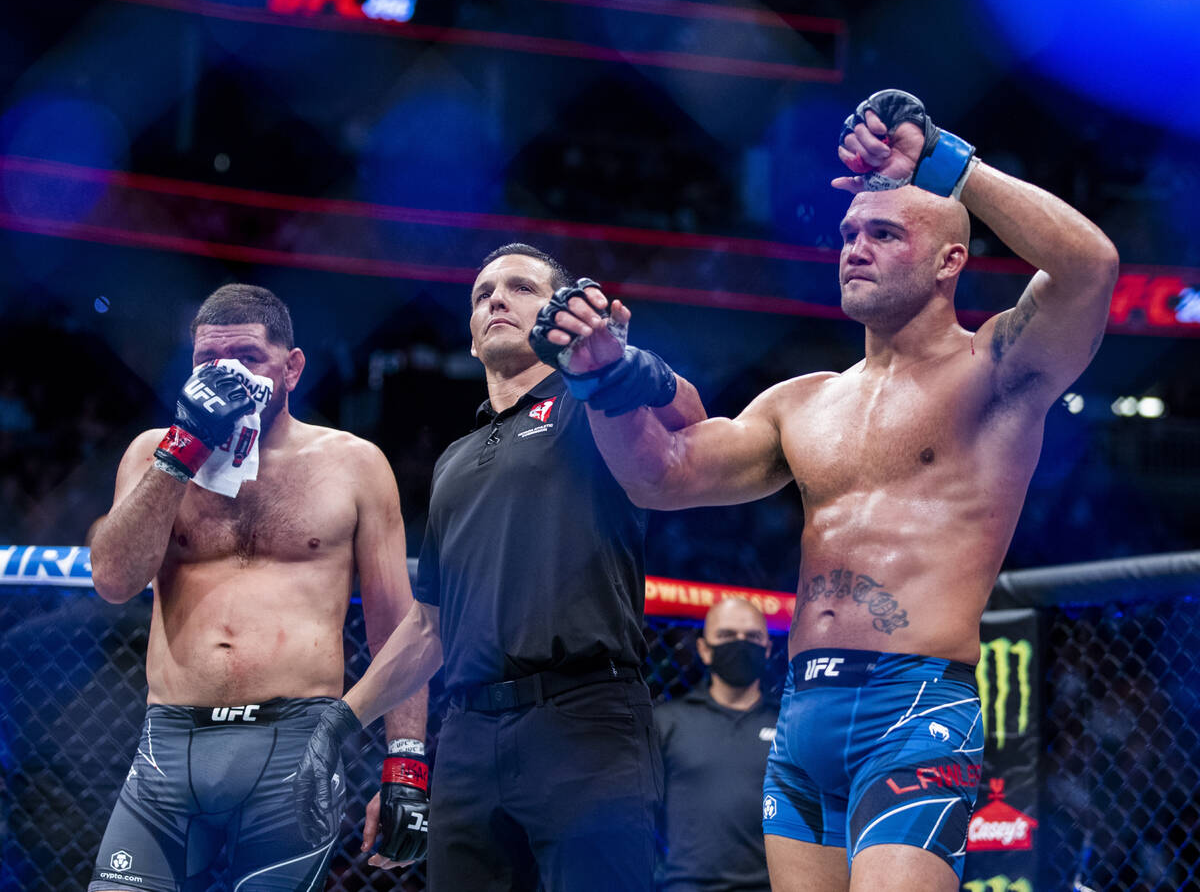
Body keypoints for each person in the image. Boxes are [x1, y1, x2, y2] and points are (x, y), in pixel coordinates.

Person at [530, 90, 1119, 892]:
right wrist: (601, 383)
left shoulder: (996, 372)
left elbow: (1090, 267)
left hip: (914, 709)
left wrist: (946, 162)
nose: (855, 247)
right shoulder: (800, 401)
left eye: (884, 232)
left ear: (950, 260)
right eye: (848, 233)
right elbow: (659, 476)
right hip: (803, 715)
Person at [292, 243, 707, 891]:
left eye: (519, 287)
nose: (496, 300)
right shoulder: (454, 460)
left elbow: (690, 419)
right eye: (483, 293)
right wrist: (341, 718)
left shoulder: (591, 405)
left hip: (586, 719)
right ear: (471, 331)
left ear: (556, 313)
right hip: (467, 737)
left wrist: (619, 366)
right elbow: (429, 626)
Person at [87, 284, 428, 892]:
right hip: (170, 743)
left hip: (295, 748)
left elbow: (398, 627)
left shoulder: (353, 464)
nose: (227, 376)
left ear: (292, 368)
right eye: (209, 362)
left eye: (248, 358)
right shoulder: (151, 454)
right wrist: (182, 451)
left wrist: (406, 763)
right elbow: (114, 581)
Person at [655, 597, 778, 892]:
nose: (740, 643)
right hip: (687, 885)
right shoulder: (667, 722)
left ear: (767, 647)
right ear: (704, 649)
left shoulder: (790, 725)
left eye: (752, 637)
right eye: (726, 635)